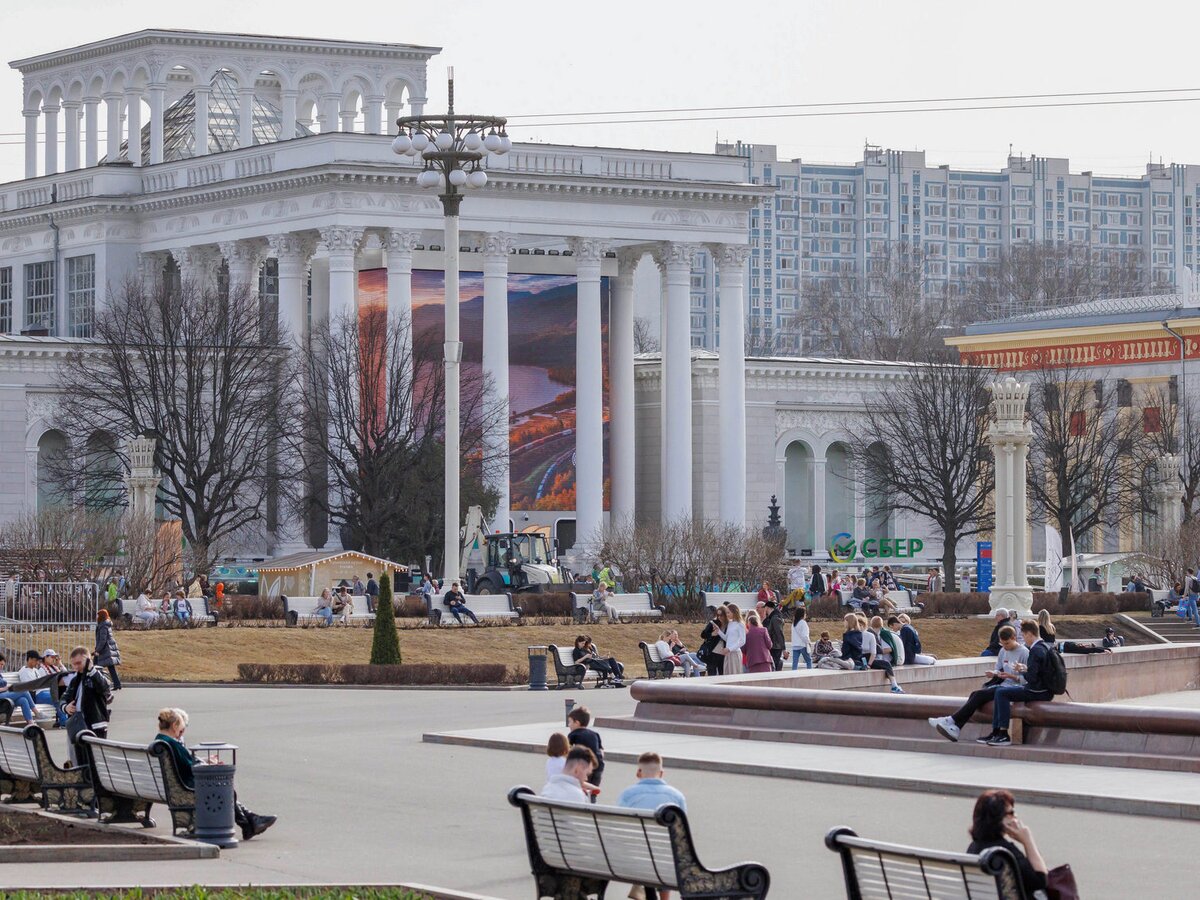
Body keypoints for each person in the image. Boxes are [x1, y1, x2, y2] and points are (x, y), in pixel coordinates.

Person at [153, 708, 276, 840]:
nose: (180, 733)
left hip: (176, 784)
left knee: (224, 789)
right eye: (181, 729)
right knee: (224, 788)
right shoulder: (171, 743)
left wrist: (204, 762)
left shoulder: (160, 741)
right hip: (186, 785)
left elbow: (185, 763)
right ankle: (250, 823)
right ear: (174, 725)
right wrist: (208, 765)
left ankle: (251, 822)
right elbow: (190, 767)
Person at [929, 625, 1028, 743]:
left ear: (1014, 638)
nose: (1005, 647)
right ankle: (956, 727)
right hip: (1003, 684)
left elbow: (1027, 679)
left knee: (979, 695)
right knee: (974, 694)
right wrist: (995, 673)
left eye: (1007, 643)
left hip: (1013, 687)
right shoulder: (1003, 651)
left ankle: (951, 721)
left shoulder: (1024, 653)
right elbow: (999, 668)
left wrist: (1011, 676)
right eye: (1002, 644)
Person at [618, 751, 688, 900]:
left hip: (634, 857)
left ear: (638, 772)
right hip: (665, 859)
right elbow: (682, 833)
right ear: (661, 773)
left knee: (643, 850)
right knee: (666, 850)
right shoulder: (676, 796)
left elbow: (618, 827)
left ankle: (644, 889)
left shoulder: (627, 795)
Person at [982, 621, 1058, 747]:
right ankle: (997, 733)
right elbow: (1038, 672)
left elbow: (1032, 678)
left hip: (1038, 691)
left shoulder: (1035, 650)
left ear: (1029, 634)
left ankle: (1002, 733)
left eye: (1023, 635)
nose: (1023, 639)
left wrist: (1020, 672)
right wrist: (1024, 668)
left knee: (1001, 693)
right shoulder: (1043, 647)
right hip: (1044, 689)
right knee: (1000, 691)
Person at [966, 790, 1048, 897]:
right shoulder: (1004, 852)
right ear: (997, 818)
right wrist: (1028, 841)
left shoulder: (973, 848)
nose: (1015, 817)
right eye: (1011, 813)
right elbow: (1040, 881)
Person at [62, 645, 113, 766]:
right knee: (79, 760)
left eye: (79, 663)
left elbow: (105, 689)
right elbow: (65, 697)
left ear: (88, 659)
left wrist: (92, 670)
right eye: (73, 664)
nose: (75, 667)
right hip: (77, 724)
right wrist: (65, 707)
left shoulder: (99, 674)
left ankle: (94, 781)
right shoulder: (76, 679)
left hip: (95, 724)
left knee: (96, 760)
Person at [566, 706, 605, 786]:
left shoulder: (573, 734)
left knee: (581, 787)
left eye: (570, 722)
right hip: (598, 766)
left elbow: (567, 749)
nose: (569, 725)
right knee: (593, 788)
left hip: (584, 767)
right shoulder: (594, 734)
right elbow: (601, 750)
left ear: (577, 722)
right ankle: (593, 797)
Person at [866, 615, 905, 693]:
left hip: (889, 659)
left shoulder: (883, 633)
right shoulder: (876, 633)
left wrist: (877, 650)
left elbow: (888, 649)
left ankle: (894, 686)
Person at [93, 609, 122, 689]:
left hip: (105, 649)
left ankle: (97, 684)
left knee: (95, 666)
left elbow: (103, 640)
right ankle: (117, 684)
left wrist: (97, 650)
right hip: (107, 648)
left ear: (101, 616)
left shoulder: (103, 626)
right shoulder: (105, 624)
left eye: (98, 615)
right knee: (110, 668)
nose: (96, 617)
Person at [715, 603, 746, 676]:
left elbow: (742, 641)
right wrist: (718, 631)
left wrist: (729, 649)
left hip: (735, 653)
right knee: (727, 675)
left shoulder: (740, 624)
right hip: (728, 653)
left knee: (735, 675)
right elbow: (727, 638)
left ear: (734, 612)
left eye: (728, 612)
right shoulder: (730, 623)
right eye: (726, 613)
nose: (727, 614)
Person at [757, 598, 787, 670]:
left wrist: (784, 649)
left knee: (774, 667)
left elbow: (779, 633)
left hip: (776, 647)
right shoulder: (771, 618)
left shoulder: (775, 618)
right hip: (773, 646)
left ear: (767, 607)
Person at [699, 607, 726, 677]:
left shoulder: (729, 625)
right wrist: (712, 634)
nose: (719, 617)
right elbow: (703, 635)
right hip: (712, 653)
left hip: (724, 654)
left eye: (721, 615)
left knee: (722, 675)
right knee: (712, 675)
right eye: (718, 615)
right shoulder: (713, 623)